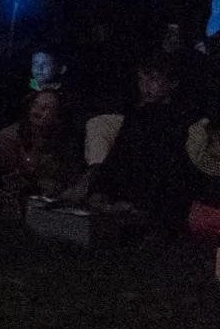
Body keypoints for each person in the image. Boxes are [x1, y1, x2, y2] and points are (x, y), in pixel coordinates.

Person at [73, 58, 203, 232]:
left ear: (172, 83)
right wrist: (100, 190)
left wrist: (139, 204)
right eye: (142, 79)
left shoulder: (177, 123)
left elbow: (167, 171)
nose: (145, 85)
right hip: (124, 197)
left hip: (153, 203)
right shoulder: (137, 115)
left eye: (154, 79)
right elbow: (118, 156)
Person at [0, 89, 83, 217]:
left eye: (45, 108)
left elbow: (72, 176)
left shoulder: (66, 142)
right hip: (15, 204)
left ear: (58, 117)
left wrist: (59, 188)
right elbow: (7, 177)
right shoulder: (9, 137)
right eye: (35, 105)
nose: (38, 111)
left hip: (54, 204)